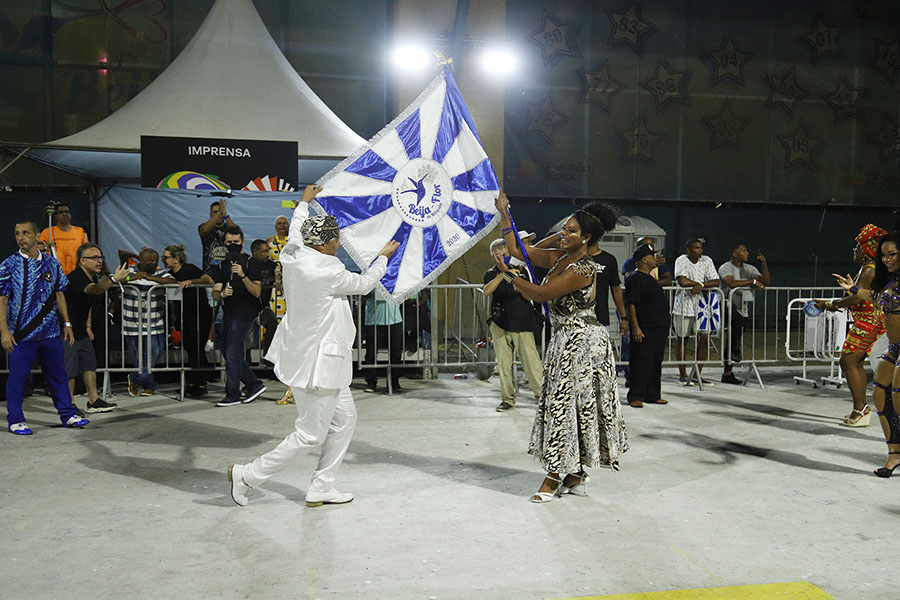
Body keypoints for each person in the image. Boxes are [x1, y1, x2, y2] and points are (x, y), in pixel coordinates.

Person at [228, 185, 399, 508]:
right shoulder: (328, 269)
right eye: (336, 240)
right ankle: (248, 474)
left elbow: (295, 230)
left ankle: (322, 485)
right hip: (319, 365)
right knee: (309, 434)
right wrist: (383, 259)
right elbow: (362, 285)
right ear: (326, 243)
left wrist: (304, 203)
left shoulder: (293, 254)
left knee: (345, 419)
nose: (339, 245)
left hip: (306, 357)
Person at [494, 191, 628, 503]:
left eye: (571, 231)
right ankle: (575, 475)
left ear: (588, 237)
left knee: (564, 408)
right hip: (564, 341)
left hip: (583, 345)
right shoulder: (559, 258)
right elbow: (517, 249)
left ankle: (554, 477)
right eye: (563, 230)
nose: (564, 235)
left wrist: (508, 276)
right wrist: (504, 213)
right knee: (567, 407)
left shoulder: (583, 269)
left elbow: (540, 294)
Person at [1, 221, 90, 434]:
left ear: (37, 235)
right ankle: (15, 420)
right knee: (17, 377)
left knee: (58, 375)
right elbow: (2, 299)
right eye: (17, 234)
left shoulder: (52, 263)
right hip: (21, 335)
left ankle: (67, 415)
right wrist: (4, 331)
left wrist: (66, 323)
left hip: (50, 332)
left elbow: (59, 293)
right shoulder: (8, 264)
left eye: (25, 233)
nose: (20, 237)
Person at [834, 230, 900, 477]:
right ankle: (894, 455)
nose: (887, 259)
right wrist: (852, 289)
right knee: (882, 400)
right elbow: (872, 296)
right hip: (893, 348)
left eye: (893, 254)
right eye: (884, 255)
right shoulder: (888, 281)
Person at [817, 224, 887, 426]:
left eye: (857, 246)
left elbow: (859, 300)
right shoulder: (867, 269)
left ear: (866, 250)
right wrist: (849, 291)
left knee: (849, 362)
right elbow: (858, 295)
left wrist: (830, 304)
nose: (854, 250)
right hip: (867, 322)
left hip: (870, 323)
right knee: (852, 362)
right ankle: (861, 408)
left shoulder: (869, 269)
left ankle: (862, 409)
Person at [65, 243, 129, 412]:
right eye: (94, 258)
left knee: (89, 364)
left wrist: (87, 325)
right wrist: (114, 279)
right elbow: (94, 290)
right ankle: (68, 404)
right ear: (82, 261)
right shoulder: (76, 277)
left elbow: (89, 304)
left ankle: (93, 401)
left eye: (100, 257)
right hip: (66, 328)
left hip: (81, 328)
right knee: (70, 370)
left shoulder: (91, 276)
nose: (99, 261)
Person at [482, 239, 543, 412]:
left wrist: (511, 276)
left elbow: (526, 294)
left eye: (505, 254)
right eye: (498, 255)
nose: (502, 258)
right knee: (504, 364)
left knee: (531, 363)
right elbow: (487, 291)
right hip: (500, 323)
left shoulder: (522, 272)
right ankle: (507, 399)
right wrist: (502, 274)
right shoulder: (490, 273)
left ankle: (541, 396)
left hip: (522, 322)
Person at [211, 226, 266, 407]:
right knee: (227, 352)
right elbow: (215, 292)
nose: (232, 245)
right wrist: (223, 294)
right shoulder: (220, 265)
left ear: (242, 241)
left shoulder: (252, 263)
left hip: (246, 313)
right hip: (229, 312)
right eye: (229, 242)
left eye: (235, 242)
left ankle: (232, 393)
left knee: (233, 352)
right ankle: (253, 384)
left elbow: (257, 292)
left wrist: (242, 275)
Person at [120, 248, 174, 396]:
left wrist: (152, 279)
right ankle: (149, 385)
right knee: (138, 358)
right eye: (149, 261)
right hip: (131, 324)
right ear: (141, 261)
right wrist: (134, 277)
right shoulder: (129, 270)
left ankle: (135, 377)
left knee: (153, 355)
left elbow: (172, 281)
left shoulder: (159, 272)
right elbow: (117, 279)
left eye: (155, 261)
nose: (152, 263)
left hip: (155, 323)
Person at [625, 244, 671, 408]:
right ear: (645, 259)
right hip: (646, 327)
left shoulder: (648, 278)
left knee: (655, 361)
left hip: (659, 326)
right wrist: (636, 327)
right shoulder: (636, 278)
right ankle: (636, 395)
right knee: (641, 361)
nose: (655, 258)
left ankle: (653, 394)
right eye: (652, 256)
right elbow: (632, 304)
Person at [166, 245, 214, 398]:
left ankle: (201, 383)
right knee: (190, 349)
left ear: (176, 259)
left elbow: (207, 279)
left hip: (200, 314)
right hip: (185, 316)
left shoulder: (189, 269)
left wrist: (191, 281)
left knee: (197, 349)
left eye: (166, 257)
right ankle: (194, 381)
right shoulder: (170, 274)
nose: (164, 260)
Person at [718, 243, 771, 384]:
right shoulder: (726, 267)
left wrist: (764, 264)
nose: (747, 253)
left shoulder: (749, 268)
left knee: (736, 334)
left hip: (743, 306)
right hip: (727, 304)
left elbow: (765, 282)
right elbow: (731, 283)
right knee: (734, 331)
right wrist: (752, 281)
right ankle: (731, 359)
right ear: (735, 254)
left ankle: (729, 369)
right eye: (743, 251)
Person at [673, 237, 720, 385]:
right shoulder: (681, 260)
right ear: (689, 249)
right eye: (696, 248)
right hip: (683, 306)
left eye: (701, 248)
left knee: (704, 339)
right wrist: (700, 284)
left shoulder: (707, 260)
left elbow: (716, 281)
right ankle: (683, 374)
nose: (700, 250)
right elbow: (682, 281)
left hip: (703, 307)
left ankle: (697, 374)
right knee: (682, 338)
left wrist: (699, 285)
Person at [267, 217, 294, 405]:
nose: (283, 225)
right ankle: (290, 388)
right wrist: (278, 278)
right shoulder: (270, 242)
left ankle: (293, 389)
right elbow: (279, 286)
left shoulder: (294, 243)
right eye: (279, 223)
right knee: (284, 345)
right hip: (279, 298)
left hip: (297, 307)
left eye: (285, 222)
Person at [362, 294, 404, 393]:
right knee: (371, 352)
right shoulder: (369, 277)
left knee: (396, 352)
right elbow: (364, 291)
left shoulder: (395, 278)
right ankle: (371, 382)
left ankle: (394, 382)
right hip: (373, 319)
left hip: (394, 318)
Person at [40, 203, 88, 275]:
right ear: (55, 216)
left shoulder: (81, 232)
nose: (64, 214)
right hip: (55, 272)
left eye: (67, 212)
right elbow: (41, 252)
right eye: (61, 212)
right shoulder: (48, 232)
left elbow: (86, 252)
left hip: (77, 273)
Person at [199, 199, 237, 273]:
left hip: (228, 269)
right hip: (210, 271)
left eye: (221, 211)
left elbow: (237, 232)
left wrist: (226, 216)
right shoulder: (204, 226)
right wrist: (219, 212)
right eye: (215, 212)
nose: (219, 215)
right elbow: (204, 231)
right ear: (210, 215)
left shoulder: (228, 226)